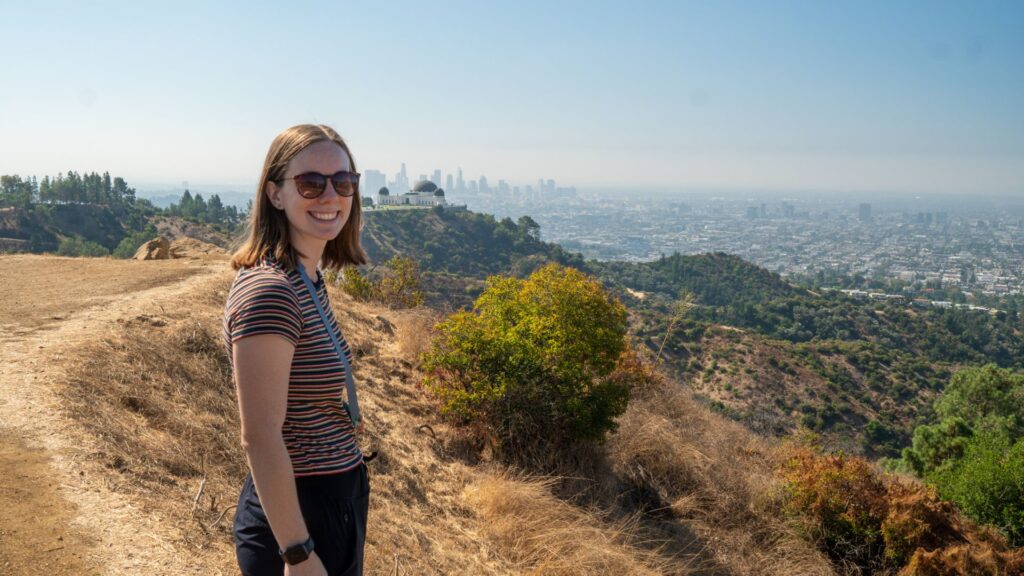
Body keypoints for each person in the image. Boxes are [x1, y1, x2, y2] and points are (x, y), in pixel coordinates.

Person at [222, 124, 370, 576]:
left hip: (329, 501)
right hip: (301, 517)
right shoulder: (271, 291)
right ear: (275, 194)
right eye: (310, 182)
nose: (330, 195)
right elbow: (260, 436)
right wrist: (298, 553)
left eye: (343, 182)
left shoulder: (305, 276)